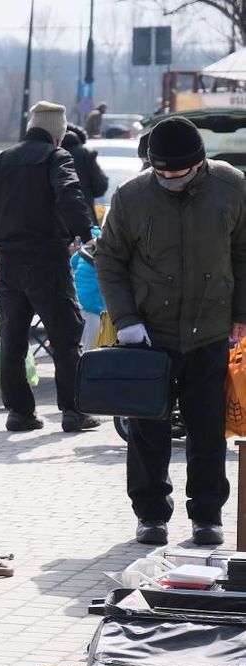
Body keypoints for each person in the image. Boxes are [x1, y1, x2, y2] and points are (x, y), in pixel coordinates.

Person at [95, 116, 246, 548]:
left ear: (199, 164)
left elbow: (244, 252)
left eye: (177, 173)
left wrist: (242, 312)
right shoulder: (131, 196)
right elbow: (109, 260)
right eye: (160, 172)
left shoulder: (232, 186)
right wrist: (125, 321)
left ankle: (207, 515)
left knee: (207, 427)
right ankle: (150, 515)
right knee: (147, 430)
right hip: (148, 334)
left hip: (211, 331)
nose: (168, 180)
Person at [0, 101, 98, 433]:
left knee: (13, 338)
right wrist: (88, 234)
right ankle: (73, 411)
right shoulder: (56, 157)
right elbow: (70, 194)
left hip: (9, 263)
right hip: (47, 260)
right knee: (65, 334)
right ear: (58, 133)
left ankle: (19, 413)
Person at [62, 125, 109, 217]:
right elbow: (100, 187)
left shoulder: (47, 152)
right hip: (83, 216)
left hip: (51, 221)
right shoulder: (85, 154)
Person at [70, 227, 105, 350]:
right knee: (92, 345)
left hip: (79, 301)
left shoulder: (81, 252)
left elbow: (71, 264)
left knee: (84, 339)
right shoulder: (102, 255)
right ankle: (86, 366)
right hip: (94, 304)